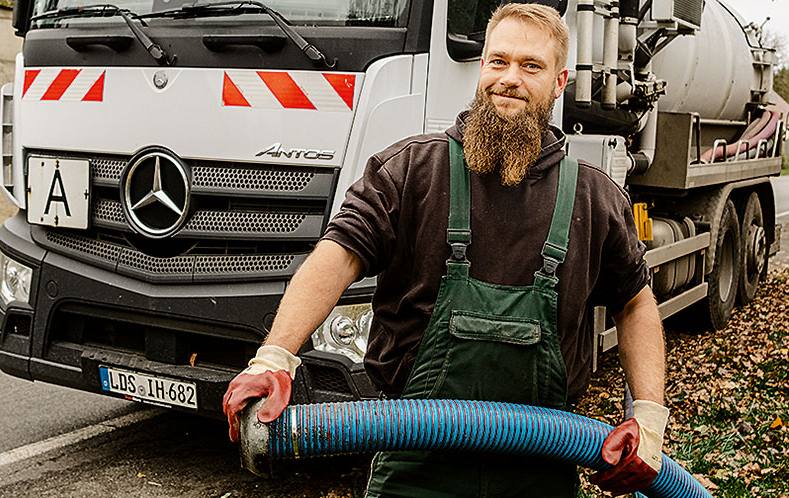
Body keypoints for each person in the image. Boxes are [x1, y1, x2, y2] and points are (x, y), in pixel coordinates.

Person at [223, 3, 669, 496]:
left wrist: (646, 414)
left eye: (531, 66)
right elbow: (339, 253)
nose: (509, 79)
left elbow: (634, 301)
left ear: (560, 82)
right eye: (498, 61)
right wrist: (275, 357)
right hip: (416, 461)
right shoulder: (412, 169)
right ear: (481, 68)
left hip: (541, 460)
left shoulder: (594, 196)